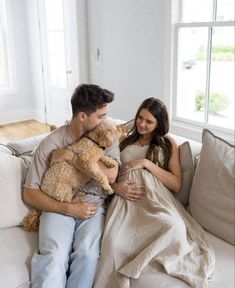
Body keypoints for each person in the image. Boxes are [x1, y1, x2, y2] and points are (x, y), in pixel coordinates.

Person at [93, 98, 215, 288]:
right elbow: (106, 170)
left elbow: (176, 184)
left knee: (175, 227)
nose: (142, 124)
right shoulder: (123, 139)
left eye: (149, 121)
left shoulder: (167, 144)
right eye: (140, 118)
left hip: (155, 199)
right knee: (112, 244)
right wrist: (116, 188)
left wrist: (145, 163)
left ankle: (133, 268)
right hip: (125, 199)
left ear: (159, 123)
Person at [22, 84, 120, 288]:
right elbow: (30, 193)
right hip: (59, 203)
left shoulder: (107, 135)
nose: (106, 120)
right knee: (54, 255)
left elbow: (111, 175)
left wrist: (71, 157)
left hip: (93, 206)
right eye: (100, 116)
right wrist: (68, 208)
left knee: (88, 253)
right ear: (83, 116)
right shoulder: (51, 144)